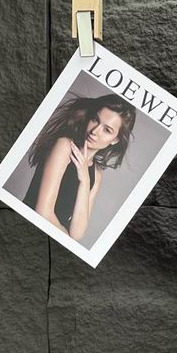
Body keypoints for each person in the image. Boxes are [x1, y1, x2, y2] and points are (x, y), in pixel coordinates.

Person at [22, 93, 136, 242]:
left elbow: (77, 233)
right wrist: (66, 240)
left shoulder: (96, 174)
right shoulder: (64, 146)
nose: (94, 131)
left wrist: (85, 181)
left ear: (115, 140)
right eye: (95, 119)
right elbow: (42, 212)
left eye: (107, 130)